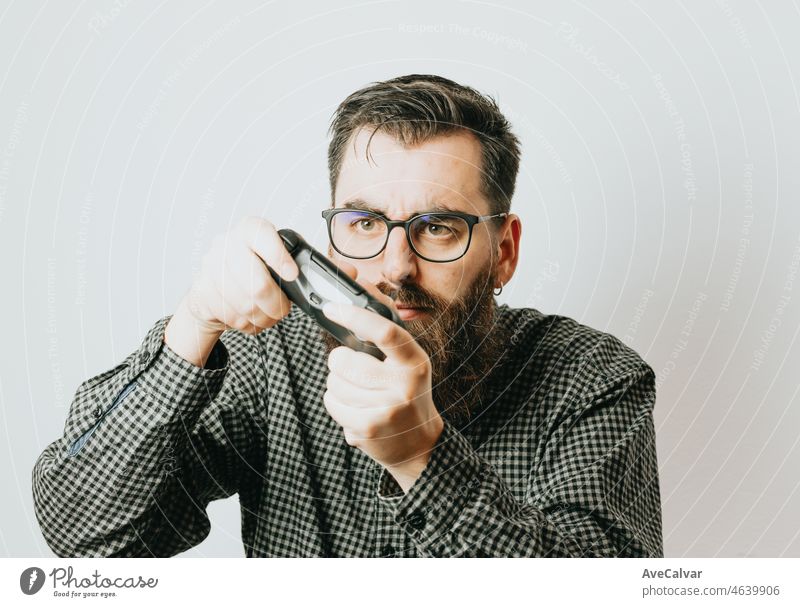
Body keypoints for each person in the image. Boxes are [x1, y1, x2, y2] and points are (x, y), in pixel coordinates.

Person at [32, 74, 663, 557]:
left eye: (438, 228)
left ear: (503, 252)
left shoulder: (593, 378)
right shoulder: (265, 360)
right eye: (363, 223)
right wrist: (191, 328)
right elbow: (83, 536)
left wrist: (422, 458)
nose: (395, 267)